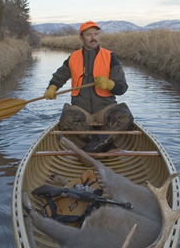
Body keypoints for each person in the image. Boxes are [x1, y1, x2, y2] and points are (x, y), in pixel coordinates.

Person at [43, 21, 133, 152]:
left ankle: (91, 147)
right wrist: (52, 87)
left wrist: (110, 84)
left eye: (96, 34)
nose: (93, 37)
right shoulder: (73, 57)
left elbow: (122, 87)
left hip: (105, 108)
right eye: (89, 34)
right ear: (81, 38)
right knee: (67, 117)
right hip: (81, 109)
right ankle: (101, 144)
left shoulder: (110, 56)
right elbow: (59, 76)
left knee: (125, 116)